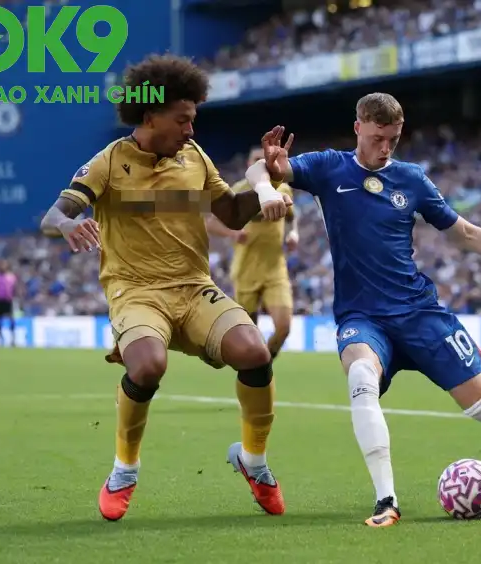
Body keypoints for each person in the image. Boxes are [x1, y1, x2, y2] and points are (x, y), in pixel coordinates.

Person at [245, 93, 481, 527]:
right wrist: (267, 184)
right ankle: (386, 500)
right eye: (378, 138)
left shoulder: (411, 179)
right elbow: (259, 168)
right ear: (358, 127)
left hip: (418, 312)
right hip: (362, 317)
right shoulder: (328, 167)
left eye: (393, 141)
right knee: (361, 378)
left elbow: (465, 234)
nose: (385, 148)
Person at [39, 54, 292, 521]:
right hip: (136, 292)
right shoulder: (109, 162)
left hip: (194, 288)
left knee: (255, 352)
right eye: (183, 119)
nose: (191, 130)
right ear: (151, 115)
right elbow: (53, 214)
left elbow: (231, 214)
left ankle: (253, 461)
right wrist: (67, 225)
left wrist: (270, 180)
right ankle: (124, 469)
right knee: (149, 365)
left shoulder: (194, 158)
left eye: (193, 119)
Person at [207, 147, 299, 359]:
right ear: (249, 165)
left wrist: (293, 233)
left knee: (283, 327)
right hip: (246, 270)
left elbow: (292, 217)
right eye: (255, 159)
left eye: (263, 160)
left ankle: (266, 362)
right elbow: (210, 223)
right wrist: (232, 233)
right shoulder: (237, 192)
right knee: (250, 335)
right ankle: (257, 367)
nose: (260, 163)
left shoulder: (283, 188)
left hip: (275, 269)